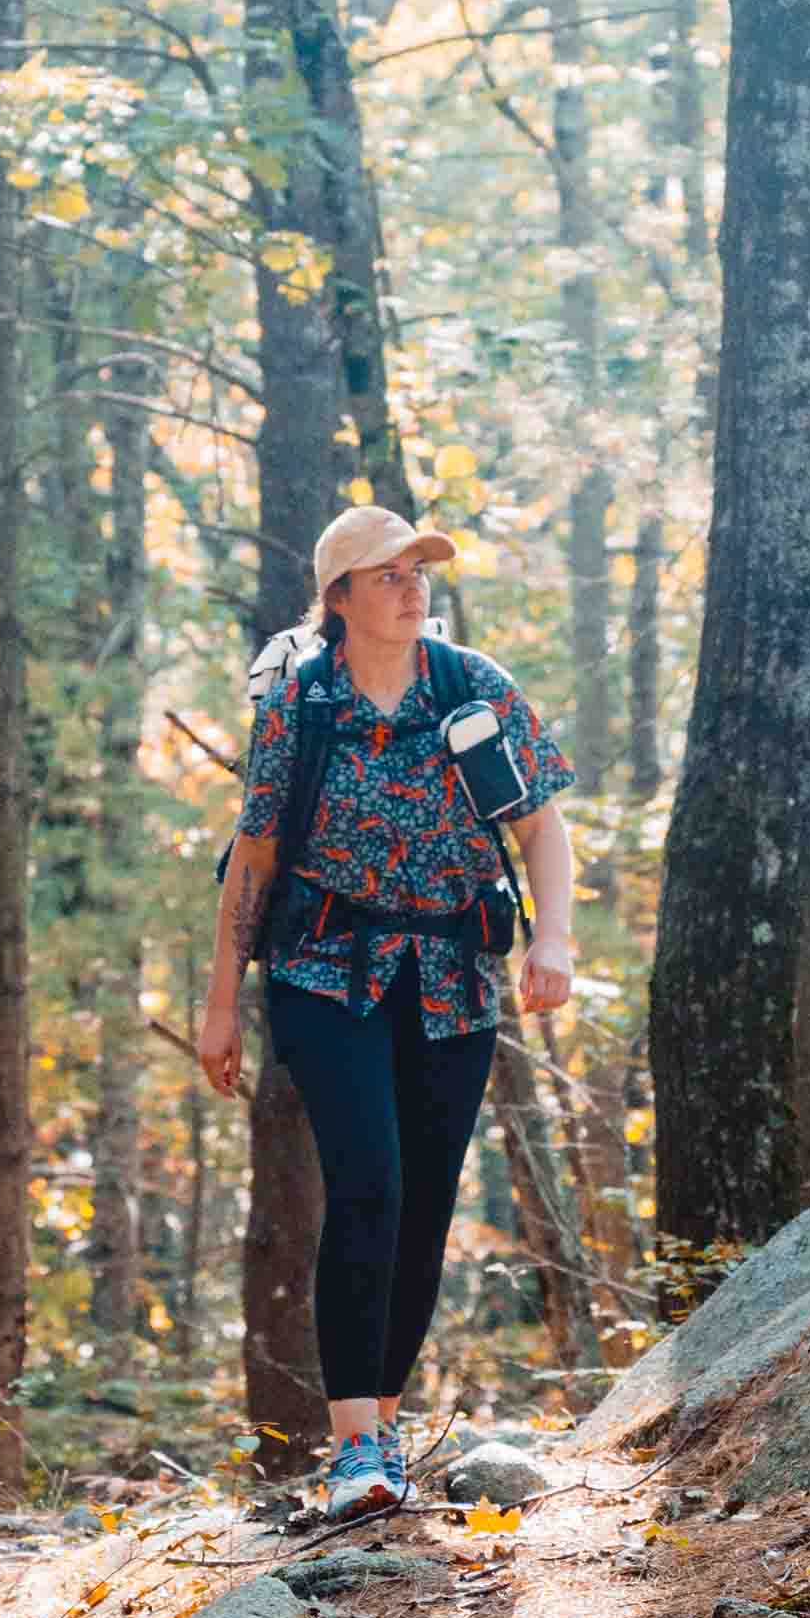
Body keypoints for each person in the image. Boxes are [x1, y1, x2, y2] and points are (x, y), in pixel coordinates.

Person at [197, 505, 576, 1523]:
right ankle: (355, 1445)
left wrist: (552, 939)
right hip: (324, 971)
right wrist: (222, 1002)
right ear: (340, 598)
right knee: (368, 1181)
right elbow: (257, 857)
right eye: (388, 573)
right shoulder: (302, 707)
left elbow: (542, 827)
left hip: (453, 976)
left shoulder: (473, 689)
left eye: (419, 569)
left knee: (424, 1203)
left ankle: (386, 1432)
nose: (413, 586)